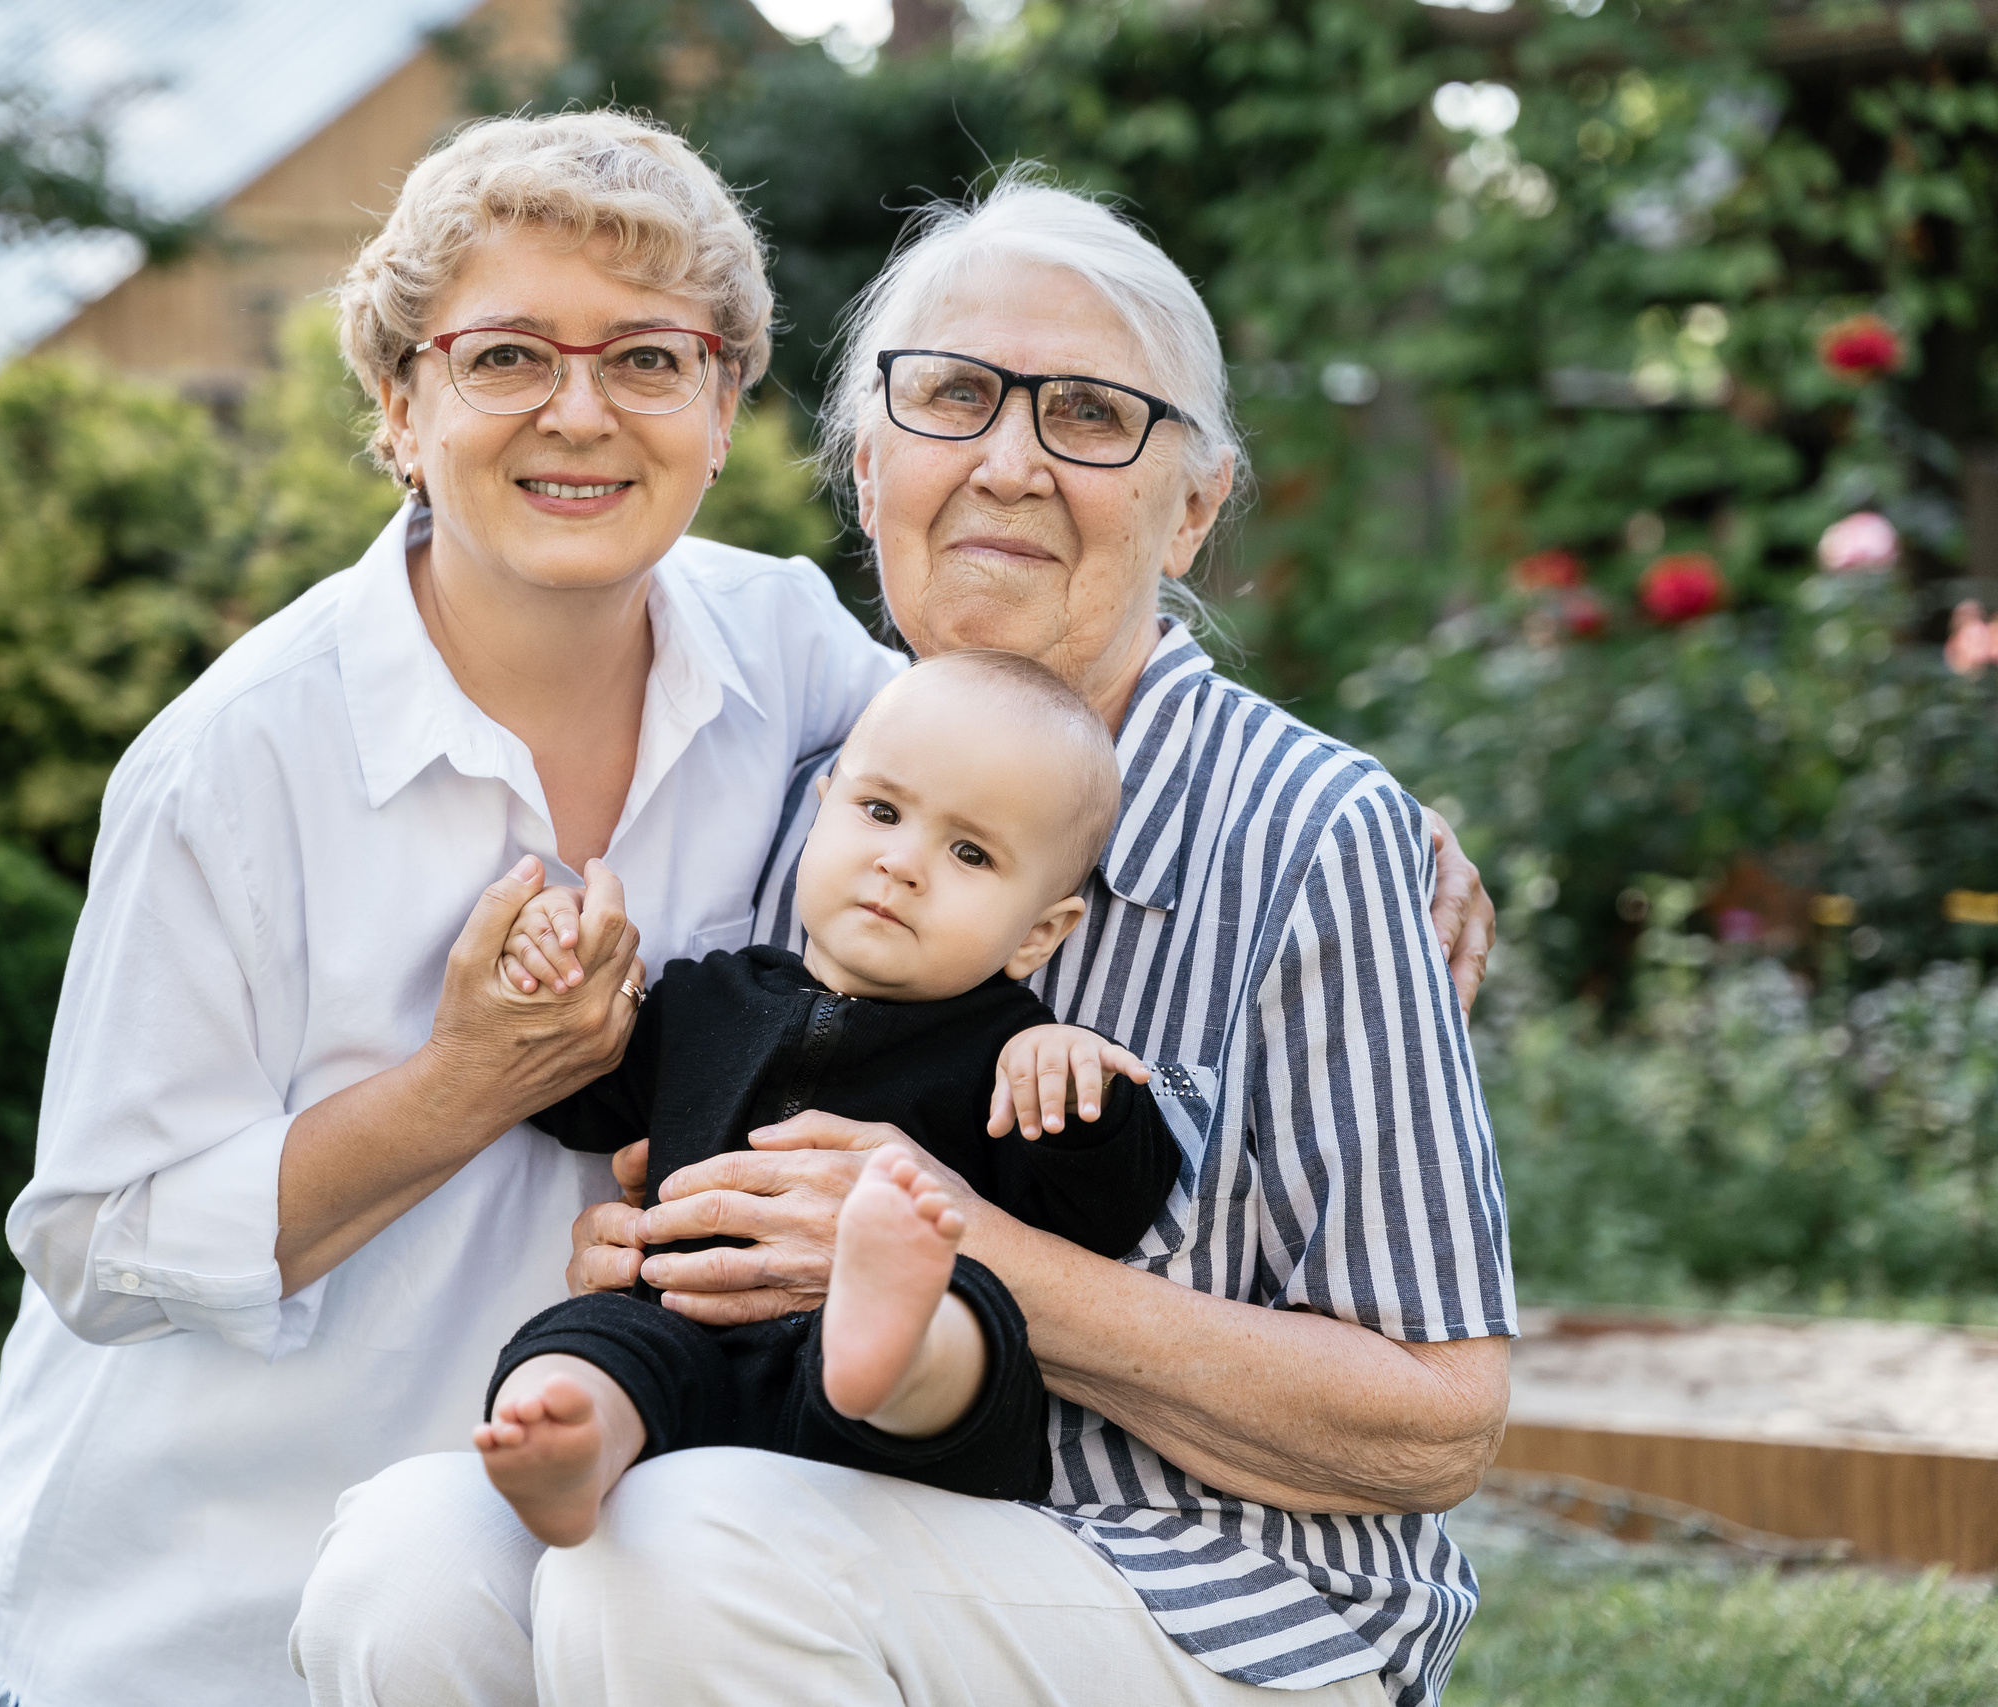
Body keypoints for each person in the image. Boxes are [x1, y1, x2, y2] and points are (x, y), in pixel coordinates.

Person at [295, 174, 1515, 1707]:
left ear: (1192, 508)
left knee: (688, 1541)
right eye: (952, 398)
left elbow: (1435, 1422)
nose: (1007, 461)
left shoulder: (1311, 832)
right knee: (407, 1553)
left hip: (1212, 1582)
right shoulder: (811, 785)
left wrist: (971, 1254)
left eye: (1088, 413)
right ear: (869, 468)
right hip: (806, 1473)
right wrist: (665, 1244)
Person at [0, 112, 912, 1707]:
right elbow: (99, 1243)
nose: (580, 414)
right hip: (202, 1616)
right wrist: (468, 1084)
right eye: (507, 355)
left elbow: (1028, 767)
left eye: (650, 359)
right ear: (400, 405)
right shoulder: (232, 763)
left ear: (726, 402)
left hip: (579, 1587)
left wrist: (1348, 820)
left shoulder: (786, 647)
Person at [475, 650, 1176, 1544]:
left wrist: (1082, 1084)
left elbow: (1100, 1210)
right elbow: (570, 1091)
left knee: (971, 1315)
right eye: (880, 811)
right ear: (822, 812)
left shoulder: (1008, 1051)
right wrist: (549, 966)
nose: (902, 863)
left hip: (892, 1447)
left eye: (970, 852)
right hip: (685, 1339)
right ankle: (572, 1441)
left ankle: (891, 1341)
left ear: (1040, 932)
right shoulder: (702, 1000)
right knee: (592, 1331)